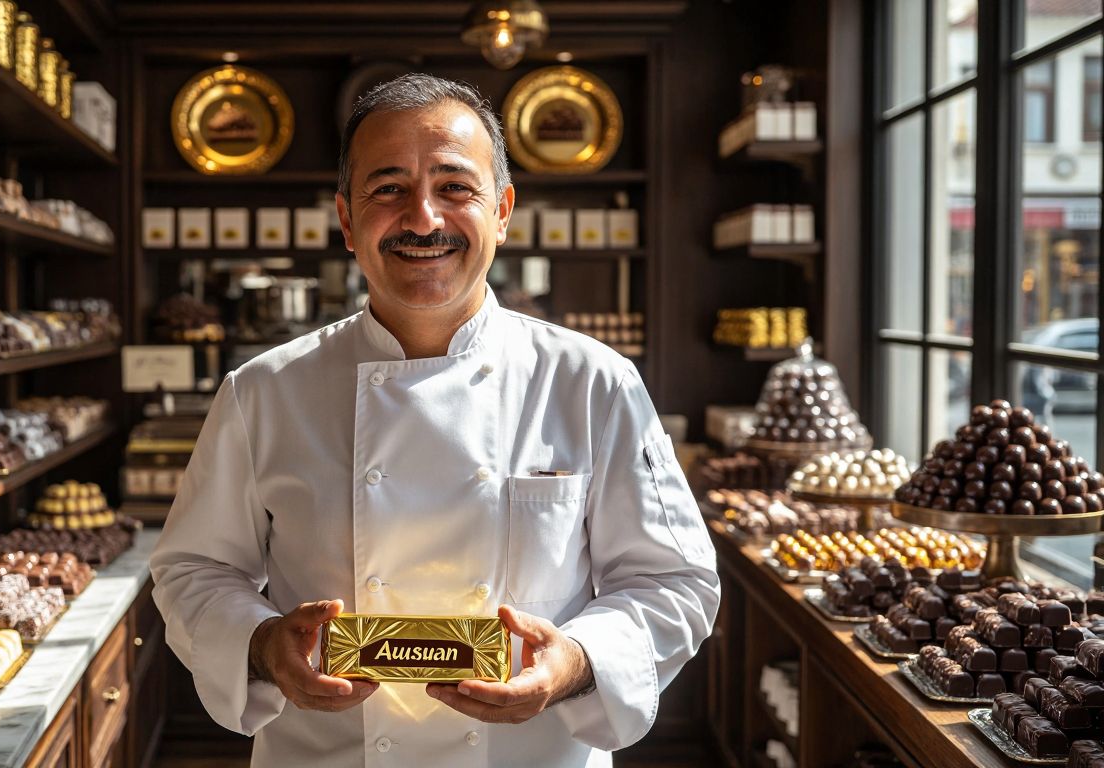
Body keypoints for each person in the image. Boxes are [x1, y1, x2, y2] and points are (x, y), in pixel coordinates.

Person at [150, 73, 719, 767]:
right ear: (346, 221)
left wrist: (572, 661)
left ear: (503, 210)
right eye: (388, 188)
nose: (423, 218)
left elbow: (676, 582)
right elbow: (193, 570)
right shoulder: (263, 392)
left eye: (455, 186)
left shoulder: (592, 381)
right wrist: (264, 645)